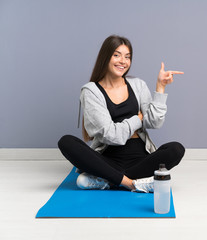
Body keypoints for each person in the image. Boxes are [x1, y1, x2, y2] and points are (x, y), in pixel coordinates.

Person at [58, 35, 185, 193]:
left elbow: (154, 122)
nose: (123, 61)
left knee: (176, 149)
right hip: (107, 160)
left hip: (141, 159)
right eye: (117, 55)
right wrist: (138, 118)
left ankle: (109, 180)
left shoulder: (138, 85)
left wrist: (160, 87)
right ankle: (132, 184)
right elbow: (112, 136)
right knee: (66, 142)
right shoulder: (91, 91)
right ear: (106, 57)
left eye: (127, 57)